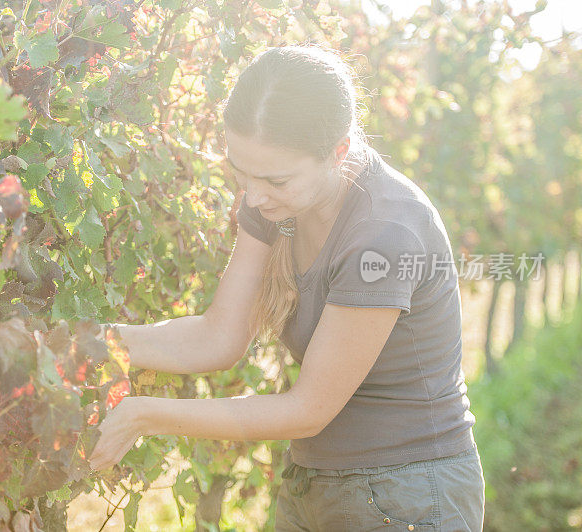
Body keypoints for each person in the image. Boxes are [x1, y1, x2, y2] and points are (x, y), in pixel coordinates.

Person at [88, 45, 485, 531]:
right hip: (314, 483)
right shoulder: (275, 205)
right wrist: (86, 343)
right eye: (240, 172)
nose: (252, 196)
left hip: (406, 496)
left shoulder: (383, 235)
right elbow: (217, 337)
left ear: (338, 152)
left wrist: (144, 414)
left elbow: (307, 410)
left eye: (275, 178)